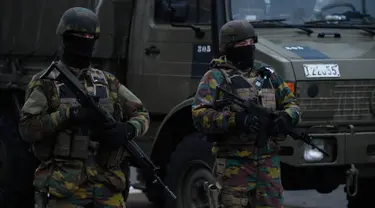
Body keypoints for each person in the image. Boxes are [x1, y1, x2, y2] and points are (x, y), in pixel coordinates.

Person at [19, 7, 150, 208]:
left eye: (89, 37)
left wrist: (127, 130)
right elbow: (27, 128)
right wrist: (69, 115)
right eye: (78, 38)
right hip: (65, 186)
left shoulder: (108, 82)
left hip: (107, 185)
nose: (84, 42)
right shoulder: (46, 83)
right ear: (65, 39)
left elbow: (141, 114)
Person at [191, 20, 301, 208]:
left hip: (268, 167)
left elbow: (293, 105)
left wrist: (286, 118)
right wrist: (235, 120)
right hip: (234, 167)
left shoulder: (268, 75)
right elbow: (199, 115)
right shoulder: (215, 77)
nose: (248, 48)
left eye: (251, 43)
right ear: (229, 47)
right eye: (242, 44)